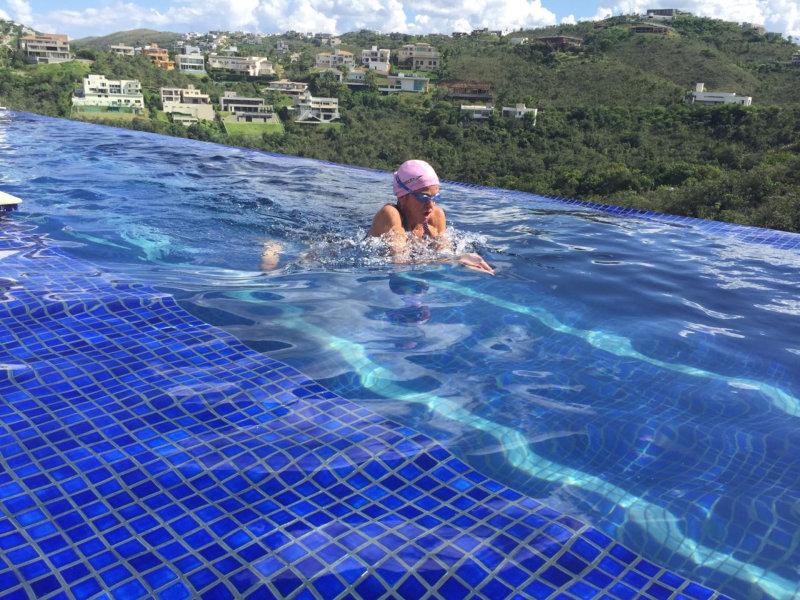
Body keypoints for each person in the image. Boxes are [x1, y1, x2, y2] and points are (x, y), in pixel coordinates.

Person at [368, 159, 494, 274]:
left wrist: (463, 263)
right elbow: (398, 261)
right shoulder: (390, 214)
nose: (431, 205)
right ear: (403, 197)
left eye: (435, 198)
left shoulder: (436, 216)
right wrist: (457, 259)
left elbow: (444, 254)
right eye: (423, 198)